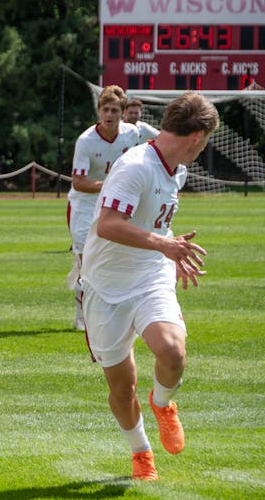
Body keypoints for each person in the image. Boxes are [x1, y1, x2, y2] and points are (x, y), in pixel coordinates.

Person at [81, 92, 218, 481]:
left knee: (172, 351)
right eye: (205, 141)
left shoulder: (177, 169)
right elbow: (107, 224)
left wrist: (170, 251)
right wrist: (165, 244)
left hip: (150, 275)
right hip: (104, 287)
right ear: (196, 136)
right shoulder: (136, 166)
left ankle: (162, 405)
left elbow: (156, 224)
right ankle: (141, 452)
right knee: (122, 389)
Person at [67, 85, 139, 331]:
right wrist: (110, 183)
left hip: (116, 203)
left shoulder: (132, 134)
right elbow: (78, 182)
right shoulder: (86, 141)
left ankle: (120, 313)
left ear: (123, 112)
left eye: (114, 110)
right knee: (85, 263)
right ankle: (81, 317)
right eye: (105, 109)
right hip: (84, 206)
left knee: (117, 258)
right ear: (98, 111)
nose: (109, 115)